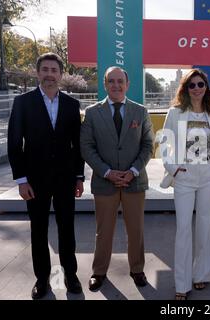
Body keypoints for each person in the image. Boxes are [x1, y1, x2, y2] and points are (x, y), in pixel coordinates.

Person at [7, 52, 85, 299]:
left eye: (54, 70)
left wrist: (79, 177)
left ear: (61, 75)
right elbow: (14, 143)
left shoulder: (72, 105)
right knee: (38, 230)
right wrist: (21, 180)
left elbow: (78, 145)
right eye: (45, 70)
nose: (50, 75)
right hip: (34, 181)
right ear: (38, 72)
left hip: (65, 179)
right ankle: (42, 279)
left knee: (67, 230)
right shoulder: (23, 102)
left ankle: (70, 276)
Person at [80, 66, 154, 291]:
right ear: (105, 84)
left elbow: (148, 145)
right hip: (105, 182)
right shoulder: (92, 113)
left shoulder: (140, 111)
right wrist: (107, 172)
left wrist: (132, 171)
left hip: (135, 181)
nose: (116, 85)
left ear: (127, 84)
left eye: (120, 81)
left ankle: (137, 269)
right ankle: (99, 271)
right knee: (104, 231)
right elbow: (86, 146)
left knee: (136, 229)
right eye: (111, 81)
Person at [160, 69, 210, 300]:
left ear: (206, 88)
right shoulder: (175, 112)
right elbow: (165, 144)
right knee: (183, 229)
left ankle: (201, 275)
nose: (197, 88)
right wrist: (174, 168)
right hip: (184, 177)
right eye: (192, 85)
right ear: (185, 88)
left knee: (206, 228)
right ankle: (182, 283)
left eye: (201, 84)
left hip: (208, 176)